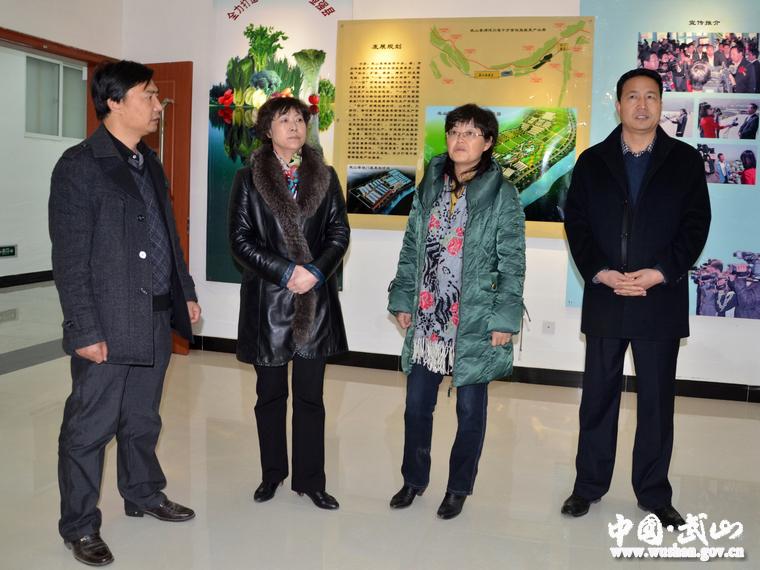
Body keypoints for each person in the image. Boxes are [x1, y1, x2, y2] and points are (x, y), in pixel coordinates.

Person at [49, 60, 202, 567]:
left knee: (142, 418)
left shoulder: (148, 162)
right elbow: (70, 260)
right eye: (149, 95)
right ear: (114, 101)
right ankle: (79, 525)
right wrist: (84, 330)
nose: (159, 105)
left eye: (157, 96)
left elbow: (168, 237)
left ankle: (143, 493)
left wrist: (183, 293)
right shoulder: (79, 165)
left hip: (154, 317)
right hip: (108, 323)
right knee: (89, 428)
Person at [561, 69, 711, 529]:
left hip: (659, 299)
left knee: (657, 403)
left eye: (651, 97)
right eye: (632, 97)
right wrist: (601, 272)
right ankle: (588, 486)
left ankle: (653, 493)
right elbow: (577, 224)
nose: (642, 105)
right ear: (619, 105)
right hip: (606, 296)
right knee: (598, 399)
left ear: (662, 105)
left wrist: (661, 272)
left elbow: (696, 225)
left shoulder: (684, 160)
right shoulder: (592, 161)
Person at [387, 104, 525, 520]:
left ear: (488, 142)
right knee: (416, 406)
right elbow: (411, 248)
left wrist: (504, 319)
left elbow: (512, 262)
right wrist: (402, 297)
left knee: (469, 412)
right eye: (454, 132)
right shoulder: (430, 184)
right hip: (429, 316)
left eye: (471, 133)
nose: (460, 140)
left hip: (475, 318)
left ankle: (458, 487)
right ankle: (413, 480)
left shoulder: (502, 193)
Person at [228, 96, 349, 511]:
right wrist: (285, 272)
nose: (295, 126)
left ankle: (311, 481)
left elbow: (339, 233)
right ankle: (272, 474)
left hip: (314, 299)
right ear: (268, 130)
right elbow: (240, 240)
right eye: (285, 120)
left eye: (300, 119)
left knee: (311, 397)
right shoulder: (248, 178)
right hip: (269, 301)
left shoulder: (325, 176)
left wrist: (314, 272)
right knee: (270, 396)